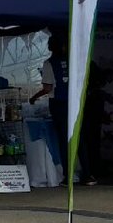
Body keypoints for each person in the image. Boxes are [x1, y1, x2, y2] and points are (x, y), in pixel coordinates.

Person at [29, 33, 98, 185]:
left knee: (63, 140)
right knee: (78, 138)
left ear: (50, 47)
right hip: (75, 103)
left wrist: (34, 97)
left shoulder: (49, 63)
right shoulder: (74, 62)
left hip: (59, 104)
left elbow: (47, 88)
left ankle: (68, 176)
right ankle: (87, 174)